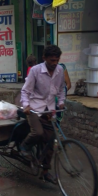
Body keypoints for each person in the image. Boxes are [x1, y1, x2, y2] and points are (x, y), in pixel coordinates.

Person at [20, 45, 65, 185]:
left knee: (51, 140)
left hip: (49, 109)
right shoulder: (35, 71)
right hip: (34, 107)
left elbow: (61, 89)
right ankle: (24, 147)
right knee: (38, 132)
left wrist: (62, 102)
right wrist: (26, 105)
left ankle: (45, 172)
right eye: (52, 60)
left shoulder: (60, 70)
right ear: (44, 58)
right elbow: (25, 91)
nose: (54, 63)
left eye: (57, 60)